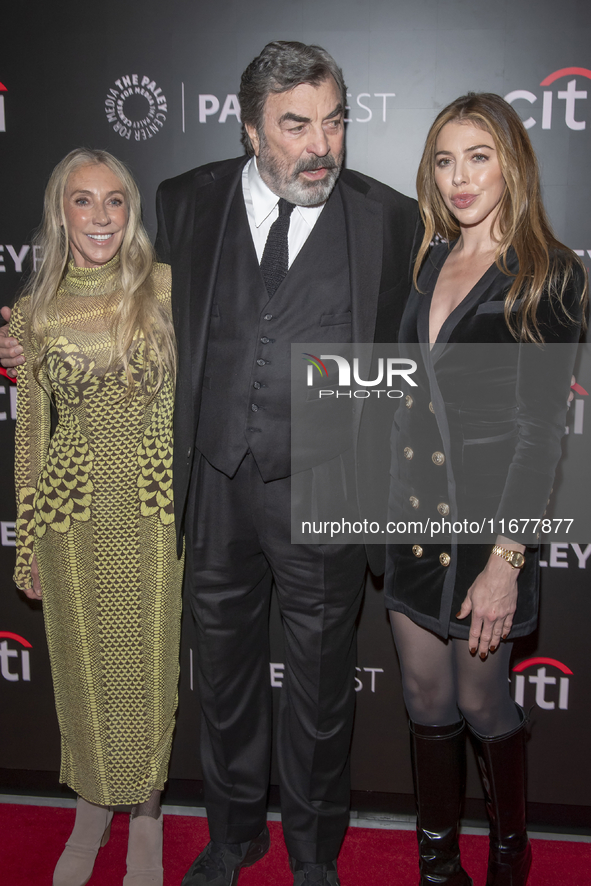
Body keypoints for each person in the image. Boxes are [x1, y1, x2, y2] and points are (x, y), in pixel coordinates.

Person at [1, 42, 420, 886]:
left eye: (333, 120)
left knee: (319, 689)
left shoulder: (388, 216)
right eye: (296, 124)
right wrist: (28, 333)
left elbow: (417, 346)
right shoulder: (187, 199)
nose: (321, 145)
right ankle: (232, 839)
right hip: (215, 486)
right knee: (223, 677)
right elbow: (118, 299)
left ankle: (310, 853)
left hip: (325, 491)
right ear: (249, 129)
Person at [385, 93, 587, 886]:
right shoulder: (425, 257)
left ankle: (510, 855)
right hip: (406, 519)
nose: (459, 177)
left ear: (511, 162)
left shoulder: (550, 274)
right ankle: (437, 864)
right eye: (444, 159)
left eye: (478, 156)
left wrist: (506, 561)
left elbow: (541, 433)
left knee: (479, 703)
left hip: (486, 529)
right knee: (421, 698)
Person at [9, 148, 183, 886]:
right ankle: (90, 807)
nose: (102, 216)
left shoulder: (170, 289)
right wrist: (25, 543)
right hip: (70, 512)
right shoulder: (33, 313)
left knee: (148, 670)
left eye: (115, 201)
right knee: (81, 670)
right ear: (61, 212)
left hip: (154, 508)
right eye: (84, 201)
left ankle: (146, 813)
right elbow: (30, 436)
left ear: (131, 211)